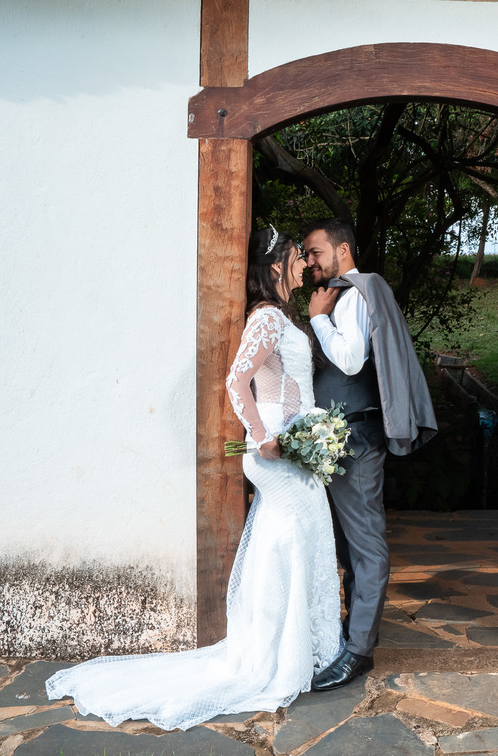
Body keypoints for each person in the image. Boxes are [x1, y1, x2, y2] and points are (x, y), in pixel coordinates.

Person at [45, 226, 343, 730]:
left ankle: (288, 648)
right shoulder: (269, 317)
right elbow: (236, 378)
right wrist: (262, 434)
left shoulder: (279, 316)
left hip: (296, 448)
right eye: (296, 257)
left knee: (286, 539)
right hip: (278, 449)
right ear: (276, 267)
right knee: (293, 536)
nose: (303, 265)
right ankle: (281, 656)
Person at [302, 218, 437, 691]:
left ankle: (358, 651)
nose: (310, 262)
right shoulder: (342, 294)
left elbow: (352, 359)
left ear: (342, 249)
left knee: (366, 546)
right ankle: (351, 633)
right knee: (344, 546)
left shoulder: (357, 292)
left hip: (355, 441)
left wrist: (319, 317)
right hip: (336, 442)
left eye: (316, 252)